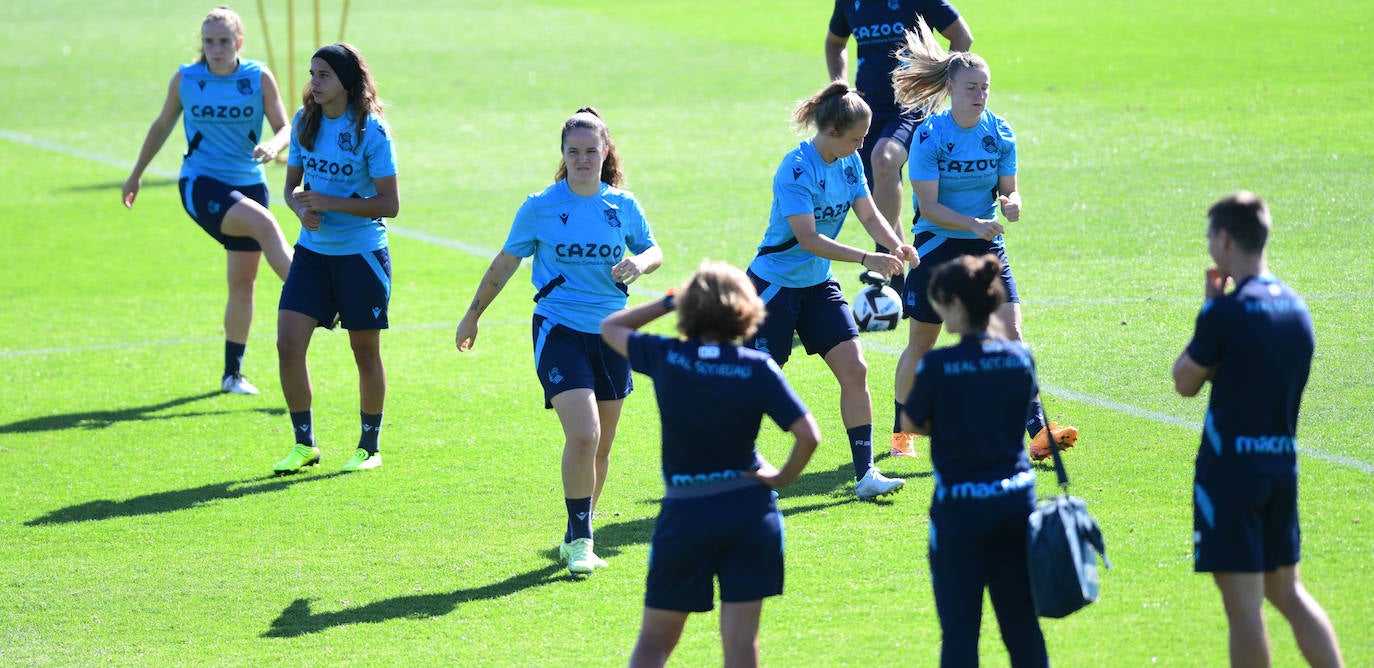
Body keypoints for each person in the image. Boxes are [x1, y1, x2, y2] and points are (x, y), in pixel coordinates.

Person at [455, 108, 663, 575]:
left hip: (613, 332)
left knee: (602, 445)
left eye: (592, 150)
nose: (583, 159)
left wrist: (641, 264)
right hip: (558, 329)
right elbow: (505, 264)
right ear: (563, 155)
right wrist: (472, 315)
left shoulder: (622, 205)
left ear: (605, 152)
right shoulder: (540, 207)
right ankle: (584, 540)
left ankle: (576, 532)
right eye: (575, 151)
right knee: (584, 434)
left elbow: (653, 248)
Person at [602, 261, 820, 668]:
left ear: (690, 308)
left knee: (653, 644)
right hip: (751, 514)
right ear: (746, 311)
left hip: (687, 514)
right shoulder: (757, 367)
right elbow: (809, 434)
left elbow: (612, 328)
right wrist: (780, 478)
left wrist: (668, 301)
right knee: (740, 645)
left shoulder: (668, 356)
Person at [887, 18, 1077, 459]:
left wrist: (1012, 204)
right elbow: (928, 207)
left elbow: (1009, 189)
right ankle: (902, 434)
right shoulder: (931, 134)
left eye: (985, 86)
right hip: (938, 246)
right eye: (971, 87)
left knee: (1011, 334)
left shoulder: (1000, 132)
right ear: (951, 89)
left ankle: (1037, 430)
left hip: (986, 244)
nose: (980, 94)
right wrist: (973, 222)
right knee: (922, 343)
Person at [1171, 192, 1344, 668]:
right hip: (1279, 466)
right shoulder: (1297, 309)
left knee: (1244, 607)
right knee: (1287, 593)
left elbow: (1184, 381)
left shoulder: (1225, 313)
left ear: (1224, 240)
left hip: (1230, 474)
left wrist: (1209, 312)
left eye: (1210, 237)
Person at [743, 81, 917, 501]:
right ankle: (736, 469)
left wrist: (894, 244)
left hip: (817, 285)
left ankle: (865, 474)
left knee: (855, 368)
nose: (862, 146)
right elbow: (808, 239)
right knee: (759, 384)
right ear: (833, 131)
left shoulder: (849, 161)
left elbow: (869, 212)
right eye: (857, 138)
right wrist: (865, 259)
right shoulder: (796, 168)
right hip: (773, 288)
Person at [122, 5, 294, 396]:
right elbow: (162, 124)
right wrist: (136, 173)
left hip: (250, 183)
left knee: (243, 282)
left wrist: (273, 144)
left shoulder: (257, 77)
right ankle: (317, 293)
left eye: (224, 41)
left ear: (239, 42)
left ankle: (232, 374)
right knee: (267, 226)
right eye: (209, 41)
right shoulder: (187, 78)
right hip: (201, 184)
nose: (216, 49)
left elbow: (285, 125)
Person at [901, 254, 1048, 667]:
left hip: (960, 510)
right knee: (1022, 627)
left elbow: (912, 419)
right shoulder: (1020, 358)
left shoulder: (938, 365)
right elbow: (1018, 406)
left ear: (957, 305)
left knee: (961, 633)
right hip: (1016, 503)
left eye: (941, 302)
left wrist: (951, 422)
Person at [271, 43, 399, 475]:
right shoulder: (305, 121)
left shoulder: (370, 130)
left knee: (363, 351)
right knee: (288, 343)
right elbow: (290, 189)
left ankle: (369, 446)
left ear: (346, 80)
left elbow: (389, 204)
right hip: (312, 254)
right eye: (312, 74)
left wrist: (328, 200)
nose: (314, 83)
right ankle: (304, 443)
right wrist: (300, 208)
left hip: (361, 256)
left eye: (323, 75)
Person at [825, 0, 973, 298]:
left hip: (910, 106)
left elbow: (962, 36)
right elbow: (834, 42)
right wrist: (840, 85)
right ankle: (903, 285)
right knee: (878, 190)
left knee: (885, 158)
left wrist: (938, 83)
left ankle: (883, 252)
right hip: (867, 110)